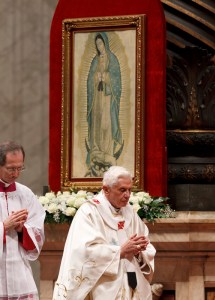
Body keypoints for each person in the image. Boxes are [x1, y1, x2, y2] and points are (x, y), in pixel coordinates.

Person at [53, 166, 156, 299]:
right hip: (103, 287)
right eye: (122, 190)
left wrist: (139, 252)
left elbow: (146, 245)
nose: (128, 195)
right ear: (106, 190)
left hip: (131, 282)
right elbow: (83, 252)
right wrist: (119, 252)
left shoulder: (130, 212)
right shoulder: (89, 212)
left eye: (130, 190)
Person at [0, 141, 45, 300]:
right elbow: (5, 226)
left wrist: (22, 230)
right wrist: (4, 226)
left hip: (20, 273)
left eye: (20, 168)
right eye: (11, 169)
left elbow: (37, 232)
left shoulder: (25, 194)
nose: (16, 173)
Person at [85, 33, 124, 177]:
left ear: (105, 44)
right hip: (97, 98)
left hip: (107, 98)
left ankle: (107, 151)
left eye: (101, 44)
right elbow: (90, 80)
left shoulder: (112, 59)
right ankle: (96, 150)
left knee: (106, 124)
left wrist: (106, 77)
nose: (99, 47)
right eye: (97, 45)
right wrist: (96, 78)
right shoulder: (95, 61)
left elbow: (117, 80)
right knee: (97, 123)